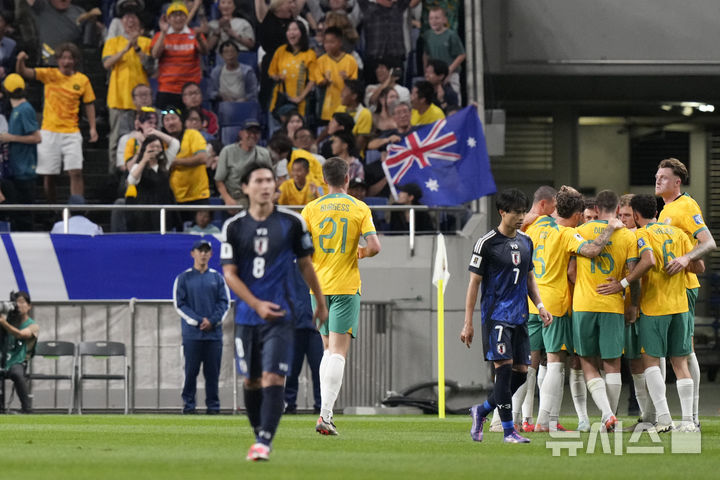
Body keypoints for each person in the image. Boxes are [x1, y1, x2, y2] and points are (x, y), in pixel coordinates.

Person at [221, 161, 328, 461]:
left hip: (282, 315)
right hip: (247, 317)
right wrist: (255, 304)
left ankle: (264, 442)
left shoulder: (293, 223)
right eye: (259, 180)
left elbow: (306, 264)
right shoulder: (234, 227)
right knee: (252, 381)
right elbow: (230, 274)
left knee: (273, 378)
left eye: (270, 180)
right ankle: (260, 433)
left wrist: (320, 302)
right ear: (245, 187)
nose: (267, 185)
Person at [595, 194, 702, 433]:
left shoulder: (640, 235)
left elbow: (648, 261)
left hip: (654, 306)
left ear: (635, 214)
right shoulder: (678, 234)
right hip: (681, 306)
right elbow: (699, 266)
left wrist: (622, 284)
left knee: (651, 361)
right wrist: (680, 261)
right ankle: (688, 421)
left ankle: (663, 418)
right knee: (680, 362)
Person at [527, 186, 622, 433]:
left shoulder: (535, 226)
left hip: (530, 302)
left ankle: (517, 418)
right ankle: (543, 422)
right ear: (579, 213)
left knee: (529, 364)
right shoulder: (567, 234)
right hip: (555, 305)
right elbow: (591, 250)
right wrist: (610, 227)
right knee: (555, 363)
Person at [462, 188, 552, 444]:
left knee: (522, 374)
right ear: (503, 212)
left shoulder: (526, 241)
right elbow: (473, 284)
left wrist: (540, 305)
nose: (522, 216)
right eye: (516, 212)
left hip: (520, 315)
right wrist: (468, 322)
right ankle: (508, 431)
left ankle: (481, 410)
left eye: (524, 211)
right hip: (496, 316)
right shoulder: (486, 243)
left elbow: (529, 277)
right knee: (503, 371)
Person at [301, 156, 381, 435]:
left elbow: (301, 249)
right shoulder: (359, 207)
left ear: (324, 180)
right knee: (338, 352)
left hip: (318, 288)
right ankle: (325, 415)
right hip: (346, 286)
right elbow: (374, 246)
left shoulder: (310, 208)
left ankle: (325, 413)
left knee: (327, 350)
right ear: (347, 178)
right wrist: (359, 252)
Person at [654, 157, 716, 429]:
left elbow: (709, 242)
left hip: (685, 288)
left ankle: (693, 417)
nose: (658, 180)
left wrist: (684, 259)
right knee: (674, 352)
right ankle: (676, 417)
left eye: (664, 177)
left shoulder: (686, 206)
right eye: (657, 176)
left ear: (677, 182)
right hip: (670, 289)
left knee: (684, 351)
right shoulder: (665, 209)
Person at [572, 189, 639, 432]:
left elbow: (570, 272)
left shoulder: (580, 231)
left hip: (583, 304)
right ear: (617, 209)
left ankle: (607, 414)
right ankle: (609, 418)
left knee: (587, 361)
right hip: (613, 306)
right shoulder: (628, 237)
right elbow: (634, 275)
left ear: (597, 209)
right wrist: (633, 304)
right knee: (612, 364)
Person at [15, 44, 97, 202]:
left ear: (75, 60)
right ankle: (52, 209)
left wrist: (93, 128)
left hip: (72, 132)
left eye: (70, 58)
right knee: (49, 174)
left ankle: (77, 208)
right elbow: (24, 73)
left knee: (76, 171)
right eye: (63, 58)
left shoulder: (82, 80)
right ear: (58, 60)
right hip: (49, 131)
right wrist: (20, 61)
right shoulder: (49, 74)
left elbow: (89, 104)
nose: (66, 61)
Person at [513, 185, 556, 430]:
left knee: (527, 363)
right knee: (546, 363)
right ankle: (532, 419)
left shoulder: (522, 229)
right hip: (539, 302)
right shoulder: (551, 228)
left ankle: (519, 419)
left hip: (525, 302)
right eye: (554, 206)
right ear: (543, 205)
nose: (555, 211)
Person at [173, 239, 230, 414]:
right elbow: (179, 304)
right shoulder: (183, 278)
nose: (203, 254)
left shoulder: (217, 278)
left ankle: (213, 407)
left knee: (212, 374)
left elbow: (224, 303)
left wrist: (212, 321)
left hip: (213, 335)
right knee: (190, 372)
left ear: (211, 255)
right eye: (200, 250)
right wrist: (198, 320)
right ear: (193, 254)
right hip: (192, 335)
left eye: (206, 251)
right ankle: (189, 406)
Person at [102, 3, 154, 170]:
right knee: (116, 141)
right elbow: (107, 63)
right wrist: (125, 49)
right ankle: (114, 176)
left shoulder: (146, 42)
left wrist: (137, 47)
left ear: (139, 22)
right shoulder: (113, 42)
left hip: (142, 102)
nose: (130, 21)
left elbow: (151, 68)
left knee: (144, 138)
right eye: (126, 18)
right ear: (121, 22)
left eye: (133, 18)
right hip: (118, 99)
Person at [0, 74, 40, 231]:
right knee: (18, 211)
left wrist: (11, 137)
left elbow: (37, 137)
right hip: (16, 168)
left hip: (25, 169)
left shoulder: (25, 109)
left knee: (24, 213)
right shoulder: (17, 109)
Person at [151, 2, 208, 109]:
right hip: (167, 90)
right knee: (167, 121)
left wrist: (199, 37)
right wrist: (163, 33)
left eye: (181, 15)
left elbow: (205, 51)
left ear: (186, 17)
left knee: (191, 122)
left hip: (190, 91)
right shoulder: (160, 35)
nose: (178, 18)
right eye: (174, 15)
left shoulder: (193, 33)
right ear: (168, 19)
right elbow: (155, 54)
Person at [284, 263, 324, 414]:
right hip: (295, 327)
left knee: (318, 369)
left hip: (315, 328)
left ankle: (321, 405)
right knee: (292, 370)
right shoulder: (291, 270)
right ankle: (290, 404)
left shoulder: (320, 268)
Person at [162, 106, 210, 221]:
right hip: (175, 198)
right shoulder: (162, 141)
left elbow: (203, 158)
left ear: (181, 121)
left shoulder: (192, 135)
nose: (170, 123)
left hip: (198, 196)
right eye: (166, 120)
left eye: (173, 118)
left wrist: (175, 161)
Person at [125, 134, 178, 231]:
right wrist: (144, 160)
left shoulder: (165, 164)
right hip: (145, 211)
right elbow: (131, 181)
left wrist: (155, 132)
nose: (155, 149)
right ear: (145, 148)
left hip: (163, 208)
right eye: (152, 146)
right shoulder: (138, 166)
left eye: (158, 147)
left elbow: (175, 144)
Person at [215, 119, 272, 209]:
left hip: (258, 196)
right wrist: (227, 199)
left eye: (256, 132)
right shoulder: (227, 151)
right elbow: (219, 181)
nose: (253, 135)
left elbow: (270, 178)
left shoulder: (264, 153)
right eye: (249, 132)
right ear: (241, 133)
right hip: (236, 197)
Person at [356, 0, 416, 85]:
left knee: (396, 93)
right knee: (372, 93)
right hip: (373, 59)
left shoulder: (398, 7)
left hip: (395, 58)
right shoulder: (368, 7)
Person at [268, 19, 317, 119]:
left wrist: (300, 97)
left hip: (299, 102)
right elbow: (272, 72)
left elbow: (313, 79)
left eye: (295, 30)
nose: (291, 33)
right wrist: (277, 77)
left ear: (303, 33)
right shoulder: (281, 50)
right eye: (289, 30)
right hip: (280, 99)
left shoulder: (310, 54)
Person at [254, 0, 298, 109]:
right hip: (271, 63)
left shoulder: (293, 22)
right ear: (279, 5)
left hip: (291, 63)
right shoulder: (267, 17)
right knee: (270, 100)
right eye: (289, 2)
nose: (293, 5)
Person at [0, 291, 39, 414]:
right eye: (16, 302)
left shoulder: (33, 325)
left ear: (29, 306)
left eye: (22, 302)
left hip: (19, 361)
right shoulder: (9, 321)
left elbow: (21, 334)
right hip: (4, 359)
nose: (19, 305)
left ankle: (27, 409)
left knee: (17, 374)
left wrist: (3, 322)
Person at [311, 26, 358, 124]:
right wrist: (325, 81)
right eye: (326, 42)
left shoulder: (350, 60)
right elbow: (319, 81)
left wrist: (347, 79)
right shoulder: (320, 61)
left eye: (332, 42)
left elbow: (355, 84)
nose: (328, 45)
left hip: (345, 106)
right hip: (327, 107)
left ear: (340, 43)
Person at [422, 6, 465, 102]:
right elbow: (426, 54)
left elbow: (461, 55)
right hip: (434, 76)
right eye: (431, 18)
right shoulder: (428, 35)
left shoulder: (451, 35)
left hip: (451, 74)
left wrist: (449, 70)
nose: (434, 21)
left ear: (444, 20)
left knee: (453, 98)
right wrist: (426, 71)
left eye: (437, 18)